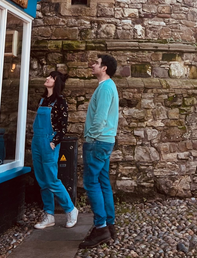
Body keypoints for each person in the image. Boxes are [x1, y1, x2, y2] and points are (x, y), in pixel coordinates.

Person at [78, 54, 119, 249]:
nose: (92, 65)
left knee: (91, 182)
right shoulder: (109, 86)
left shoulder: (105, 88)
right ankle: (109, 225)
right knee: (103, 182)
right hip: (105, 141)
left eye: (97, 63)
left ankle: (101, 227)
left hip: (98, 142)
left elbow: (100, 118)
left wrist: (91, 137)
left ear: (104, 68)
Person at [32, 70, 78, 230]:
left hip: (49, 142)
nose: (47, 78)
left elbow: (63, 126)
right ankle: (49, 215)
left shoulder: (60, 101)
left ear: (56, 82)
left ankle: (71, 209)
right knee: (42, 180)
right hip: (37, 141)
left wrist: (54, 142)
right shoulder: (43, 100)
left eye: (51, 77)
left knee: (52, 180)